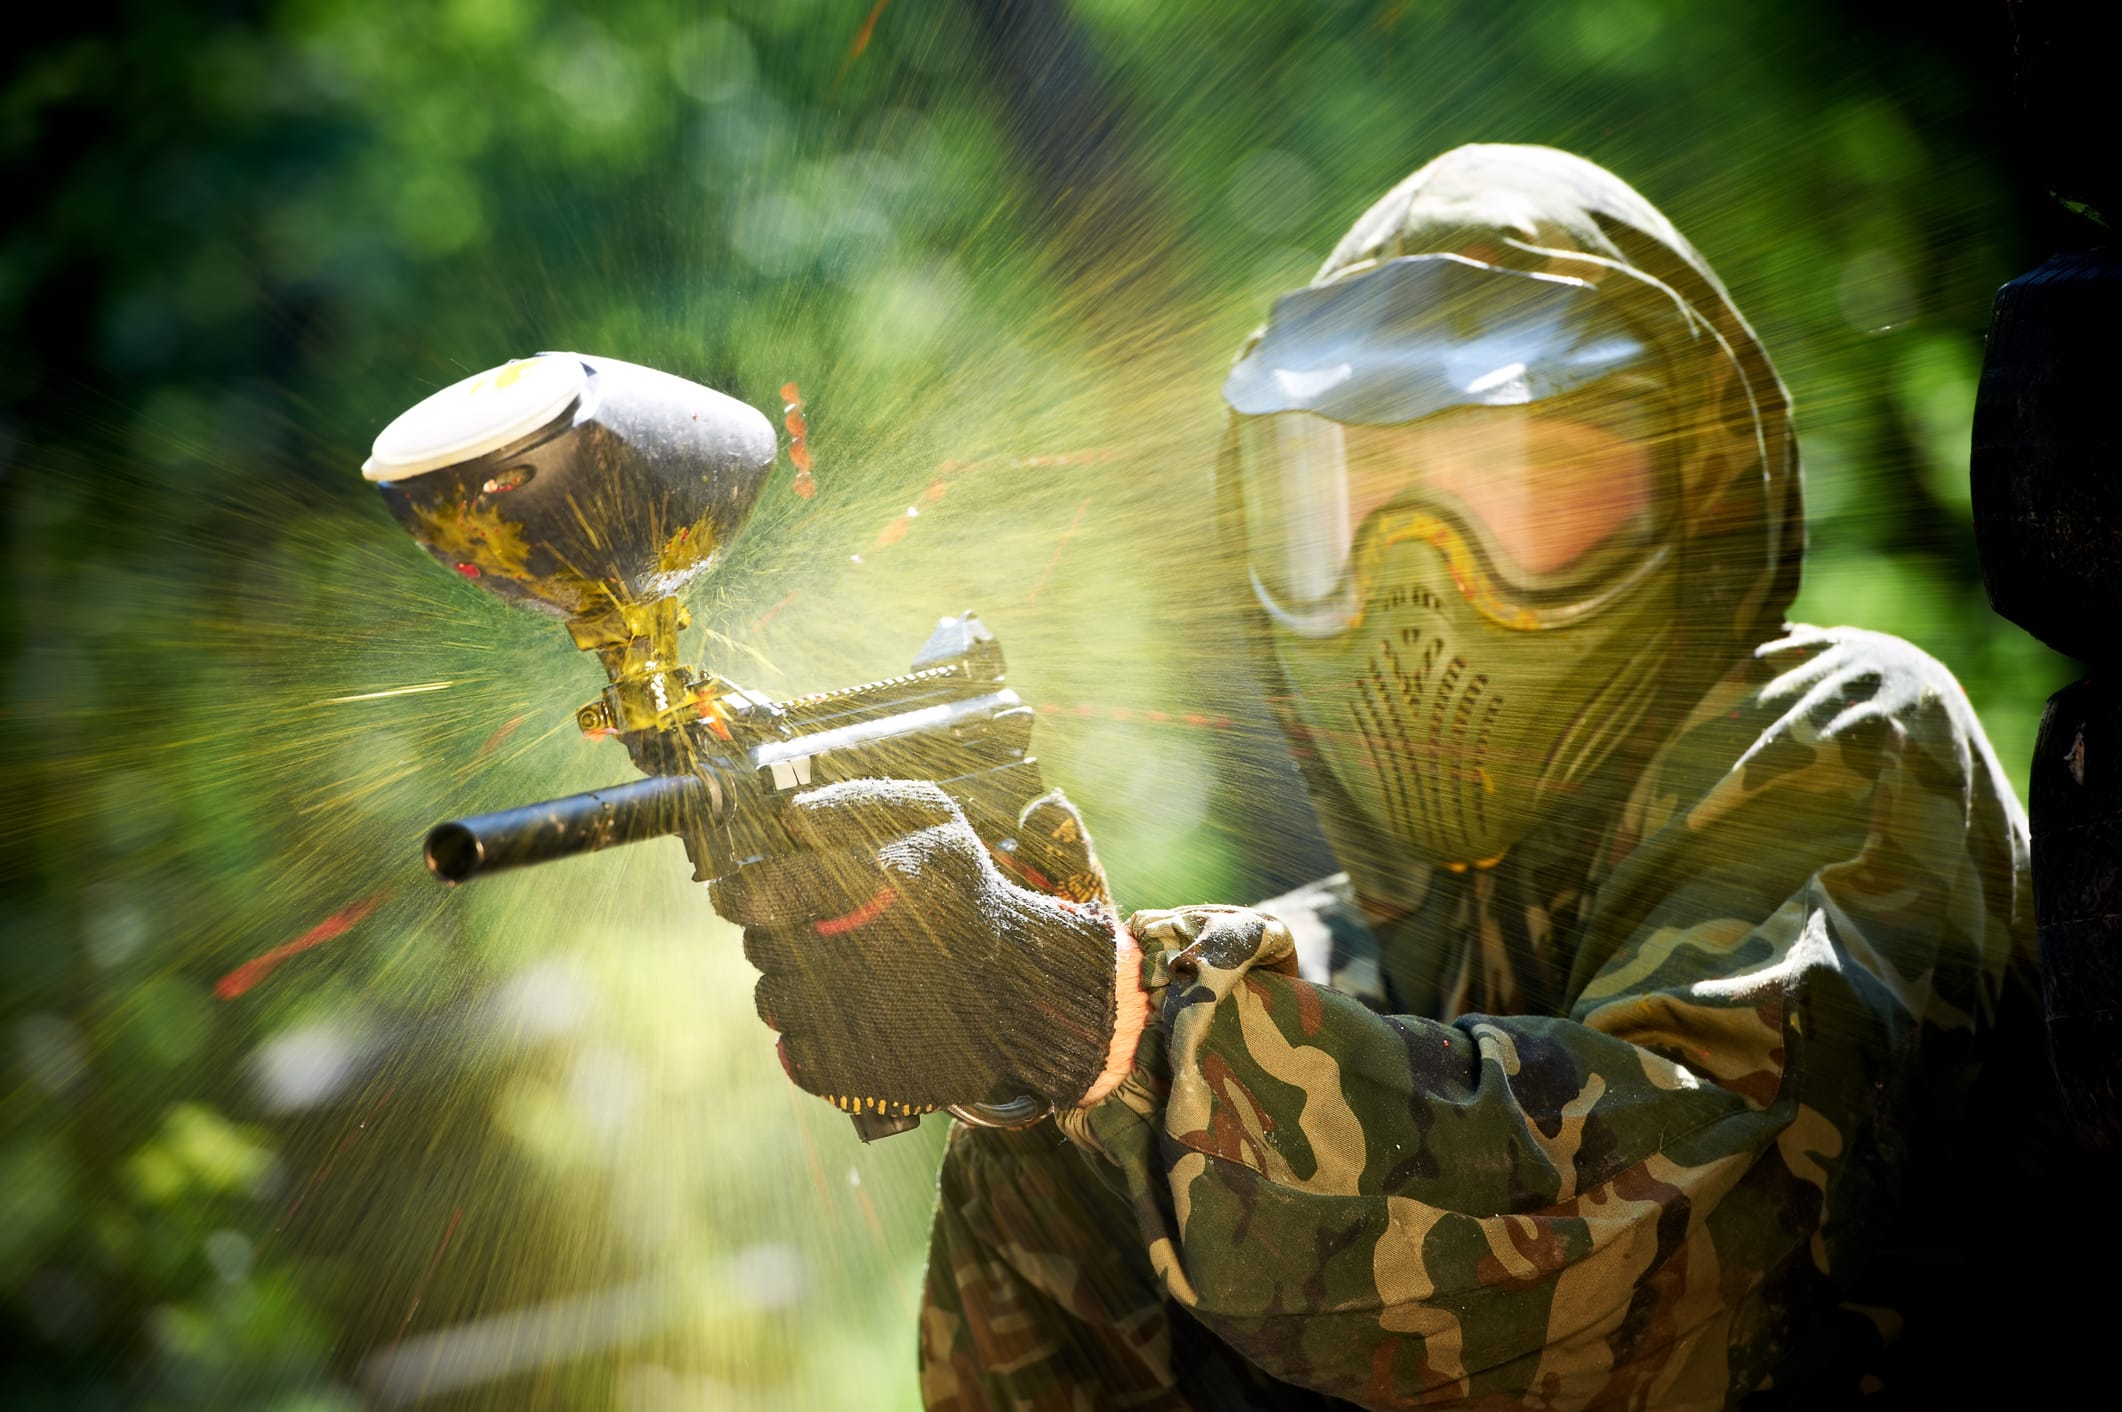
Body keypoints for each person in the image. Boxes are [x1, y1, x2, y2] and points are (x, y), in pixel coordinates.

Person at [713, 145, 2066, 1409]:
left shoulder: (1840, 739)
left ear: (1695, 492)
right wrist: (1024, 1045)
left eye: (1520, 488)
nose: (1418, 586)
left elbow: (1656, 1238)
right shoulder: (1329, 967)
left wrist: (1099, 1019)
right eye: (1345, 515)